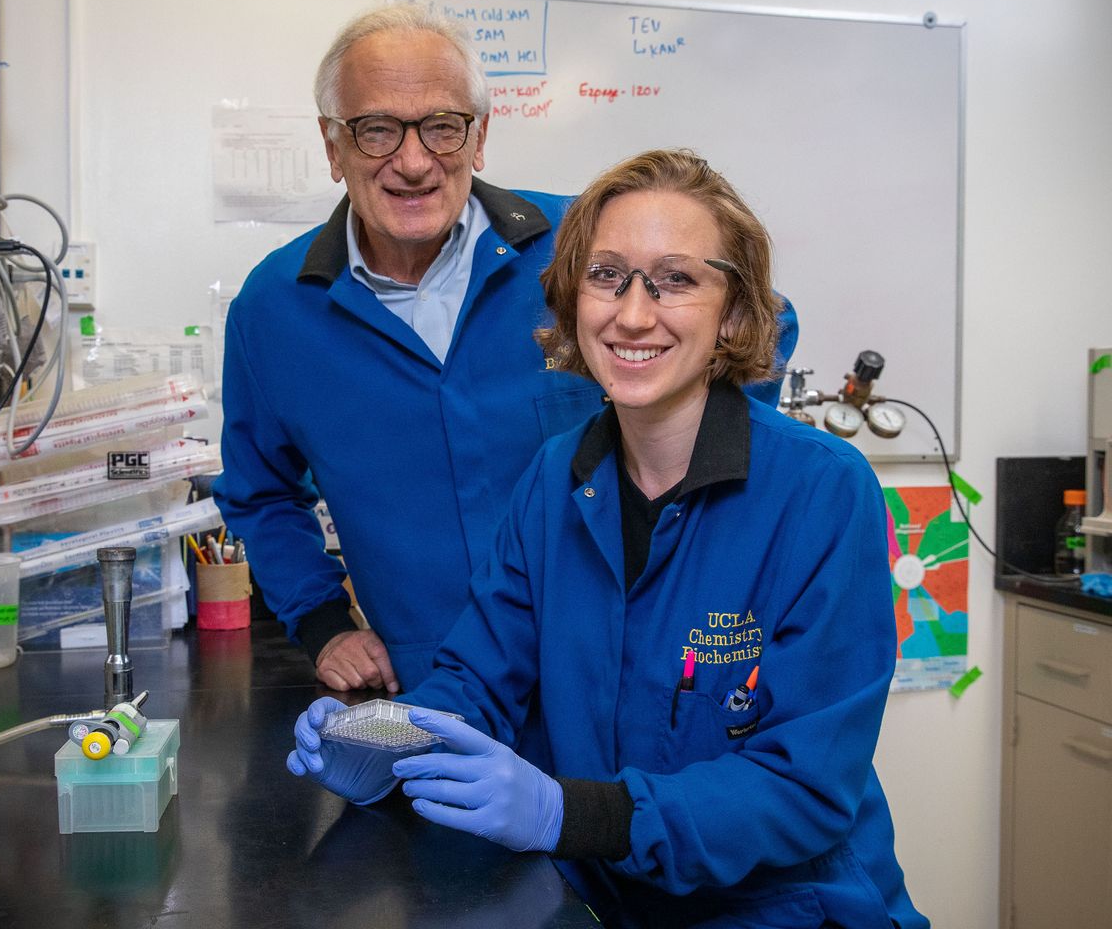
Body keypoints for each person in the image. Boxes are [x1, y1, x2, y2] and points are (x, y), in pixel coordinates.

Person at [288, 149, 927, 929]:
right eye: (607, 275)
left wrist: (571, 816)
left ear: (733, 312)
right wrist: (383, 741)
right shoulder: (557, 479)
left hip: (789, 909)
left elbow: (804, 788)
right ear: (570, 299)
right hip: (607, 903)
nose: (632, 314)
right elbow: (477, 680)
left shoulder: (822, 490)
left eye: (677, 280)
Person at [213, 4, 797, 697]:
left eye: (442, 126)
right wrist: (321, 622)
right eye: (375, 131)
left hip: (627, 674)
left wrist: (696, 512)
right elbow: (261, 491)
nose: (412, 161)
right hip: (440, 689)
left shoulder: (584, 247)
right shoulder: (276, 310)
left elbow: (762, 319)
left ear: (480, 135)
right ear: (333, 146)